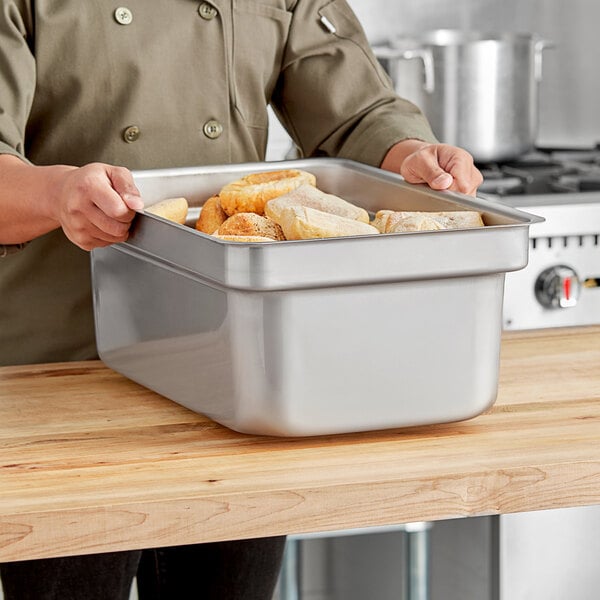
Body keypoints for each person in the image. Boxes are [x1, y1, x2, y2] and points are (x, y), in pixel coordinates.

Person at [0, 1, 482, 598]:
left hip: (233, 367)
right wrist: (57, 193)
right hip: (69, 373)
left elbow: (355, 113)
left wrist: (410, 154)